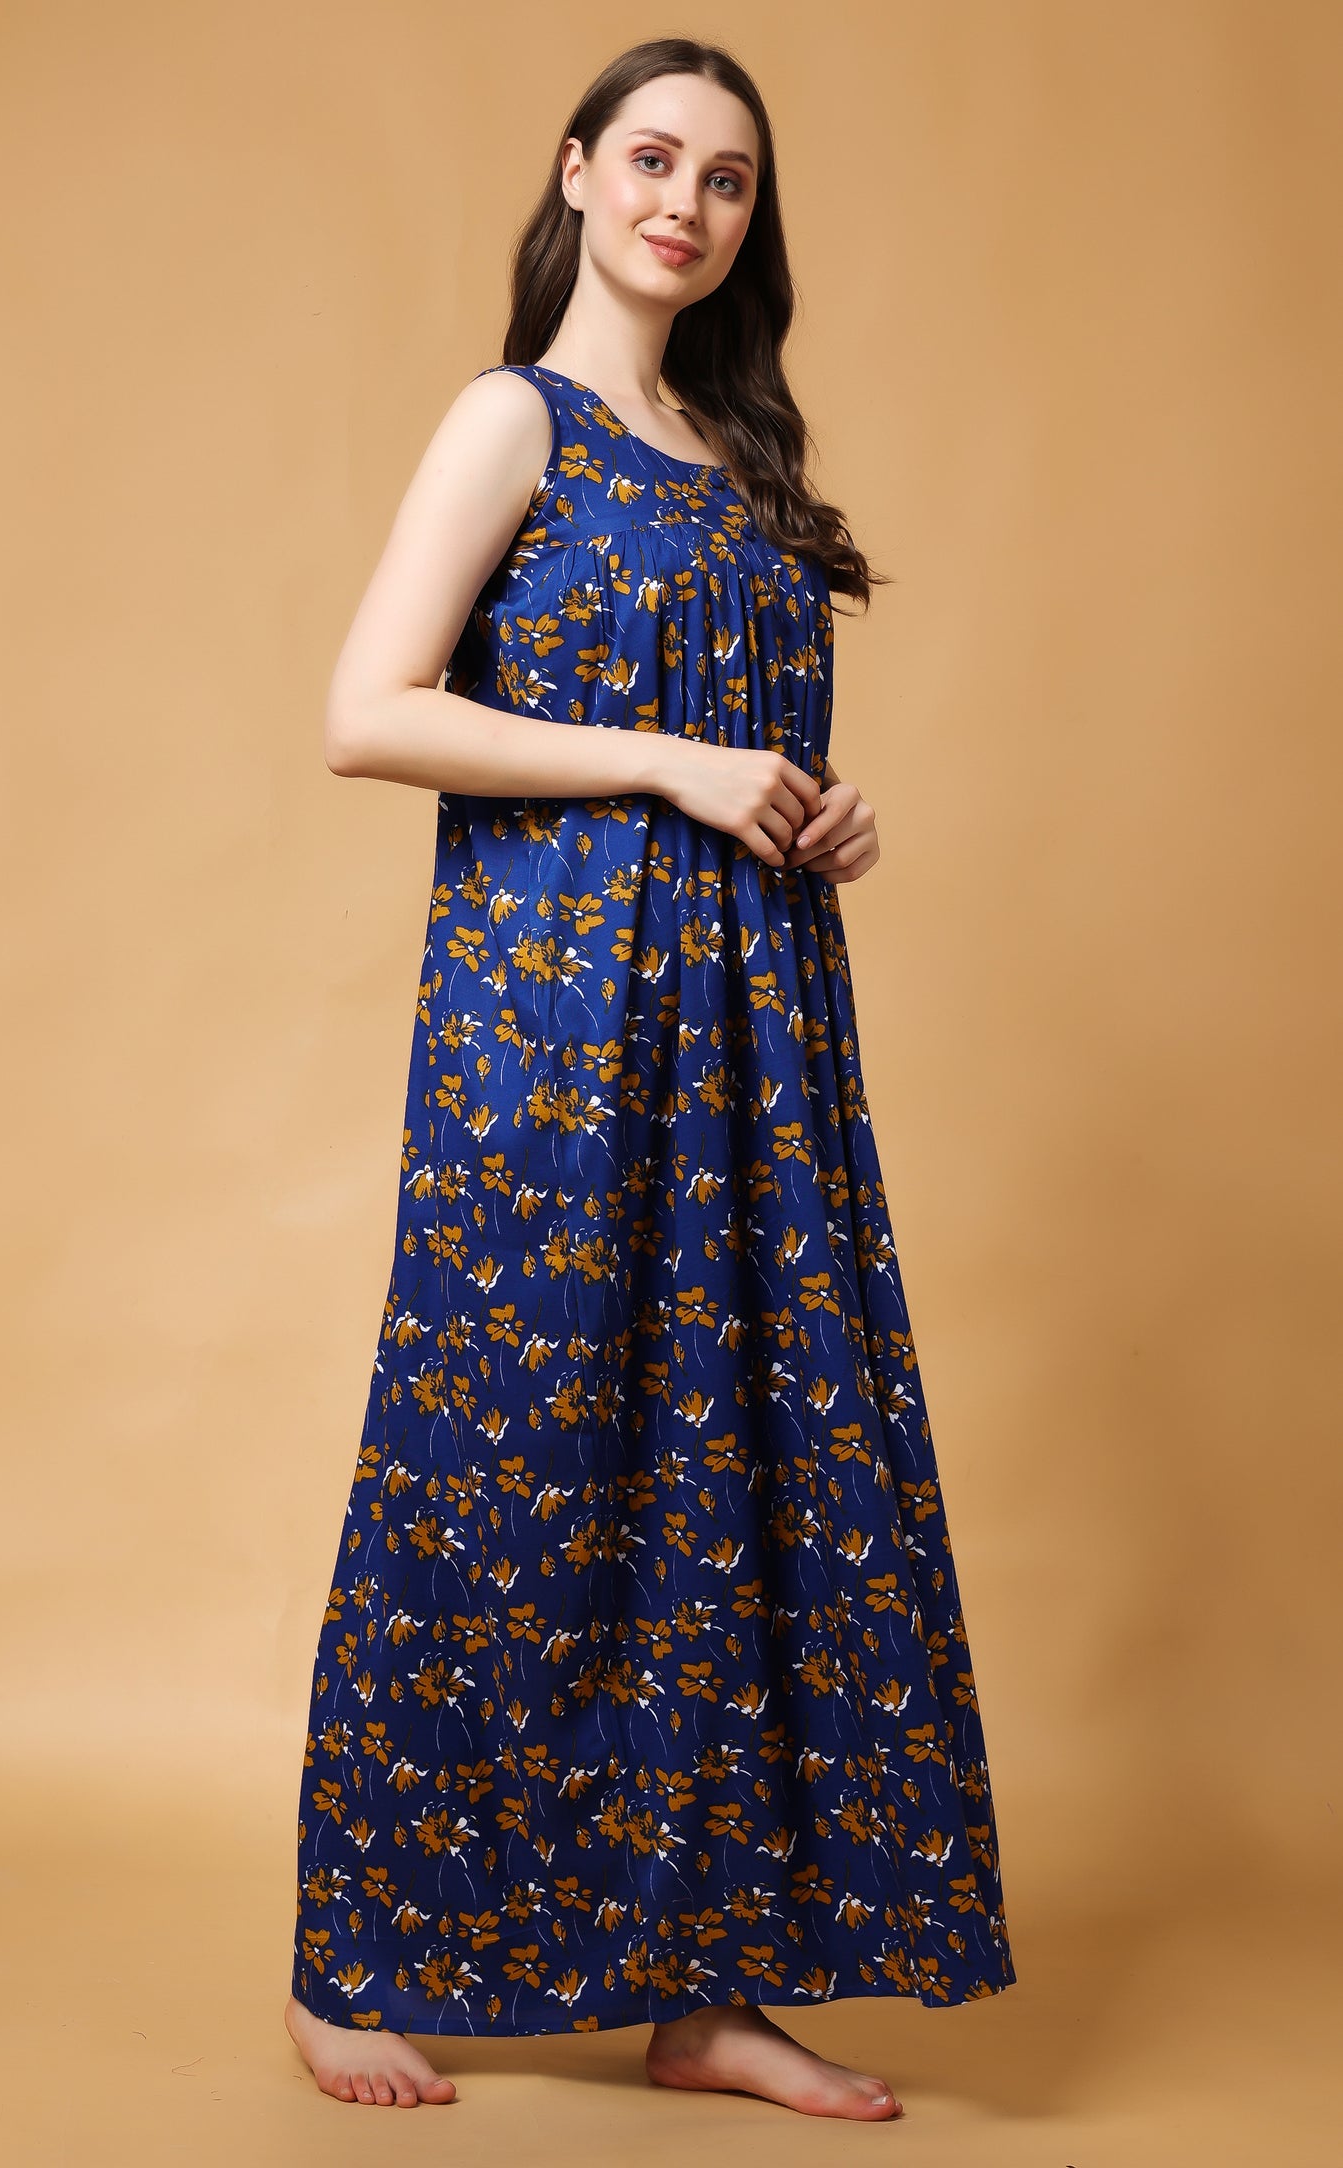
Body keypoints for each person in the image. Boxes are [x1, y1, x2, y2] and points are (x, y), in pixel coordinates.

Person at [283, 34, 1015, 2121]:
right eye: (655, 159)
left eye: (728, 179)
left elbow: (737, 751)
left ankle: (704, 1991)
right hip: (555, 1028)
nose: (686, 203)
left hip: (756, 1033)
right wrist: (673, 765)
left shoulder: (742, 459)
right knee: (490, 1454)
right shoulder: (512, 419)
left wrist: (808, 811)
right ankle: (350, 1955)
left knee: (735, 1486)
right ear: (578, 173)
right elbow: (366, 711)